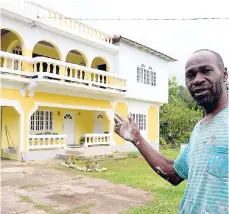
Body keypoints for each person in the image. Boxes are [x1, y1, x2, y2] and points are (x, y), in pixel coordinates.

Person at [114, 49, 228, 214]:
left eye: (206, 71)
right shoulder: (199, 129)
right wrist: (136, 138)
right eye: (190, 75)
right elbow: (174, 173)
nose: (197, 80)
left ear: (224, 75)